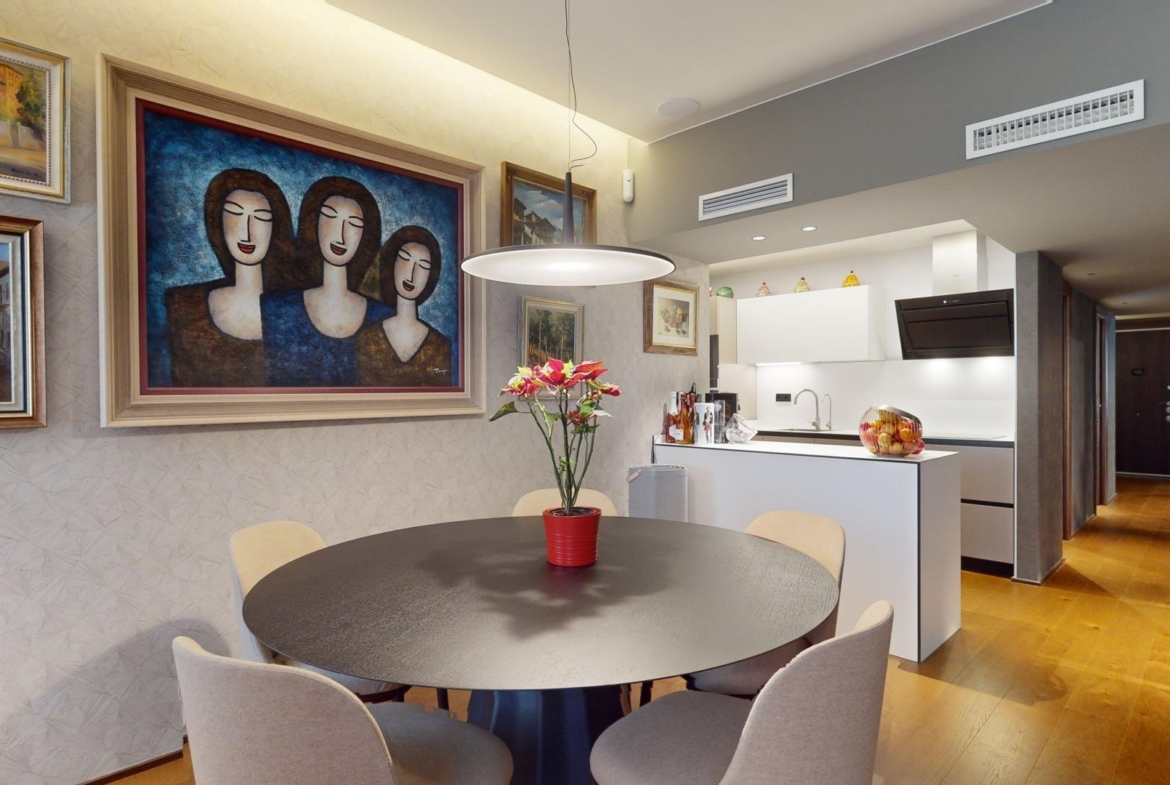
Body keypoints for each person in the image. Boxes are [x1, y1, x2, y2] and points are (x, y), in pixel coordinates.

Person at [165, 169, 294, 387]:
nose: (247, 231)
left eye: (260, 218)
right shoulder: (185, 305)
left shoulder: (297, 310)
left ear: (276, 228)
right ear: (218, 223)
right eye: (235, 215)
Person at [261, 176, 392, 387]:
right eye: (331, 217)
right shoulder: (276, 307)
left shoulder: (384, 317)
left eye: (353, 224)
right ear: (313, 223)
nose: (341, 234)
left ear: (365, 235)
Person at [356, 225, 452, 387]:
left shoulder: (439, 345)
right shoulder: (368, 339)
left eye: (423, 266)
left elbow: (442, 380)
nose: (412, 273)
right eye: (405, 259)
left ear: (430, 276)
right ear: (392, 263)